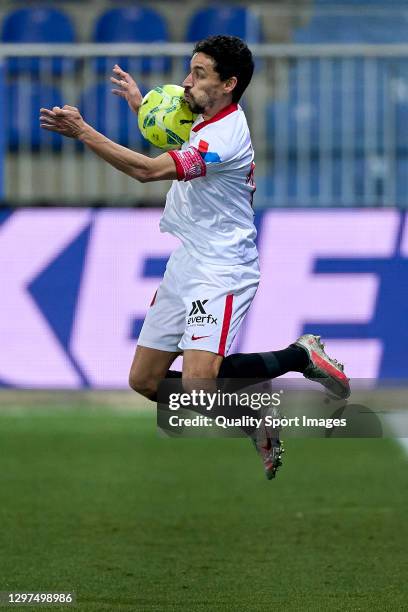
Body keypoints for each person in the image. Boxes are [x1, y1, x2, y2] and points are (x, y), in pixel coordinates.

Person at [40, 35, 350, 480]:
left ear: (230, 84)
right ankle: (256, 421)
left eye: (199, 75)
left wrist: (83, 131)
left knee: (198, 384)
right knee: (146, 382)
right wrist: (139, 103)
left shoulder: (224, 137)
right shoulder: (206, 116)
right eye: (190, 71)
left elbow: (147, 171)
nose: (186, 83)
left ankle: (299, 356)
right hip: (189, 260)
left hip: (222, 267)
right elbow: (170, 133)